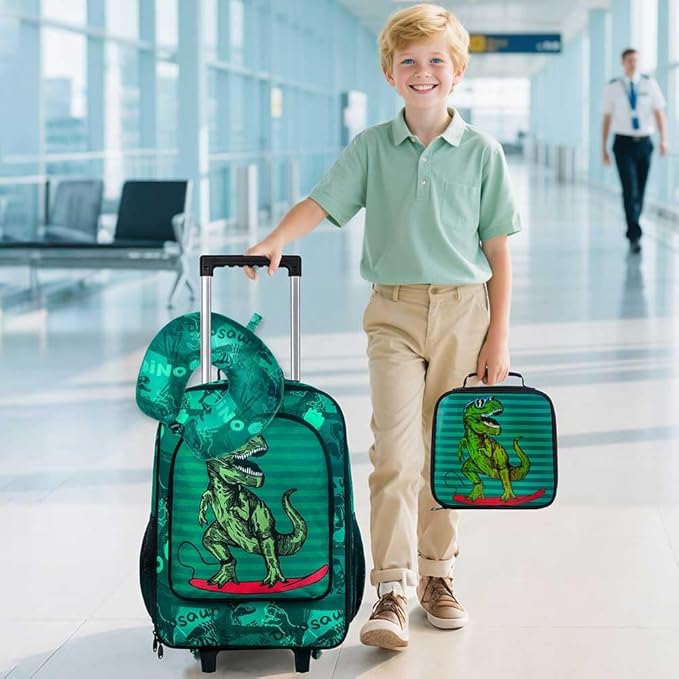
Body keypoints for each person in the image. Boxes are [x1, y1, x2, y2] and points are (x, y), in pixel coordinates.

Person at [243, 3, 520, 651]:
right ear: (390, 74)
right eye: (408, 61)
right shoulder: (371, 147)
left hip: (464, 313)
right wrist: (275, 239)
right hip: (392, 313)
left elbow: (498, 251)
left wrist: (498, 336)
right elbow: (321, 202)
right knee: (394, 453)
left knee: (445, 452)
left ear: (456, 71)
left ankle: (438, 574)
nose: (423, 71)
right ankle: (391, 588)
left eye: (435, 60)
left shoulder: (482, 152)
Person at [602, 48, 668, 254]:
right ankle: (634, 235)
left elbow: (659, 113)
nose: (633, 64)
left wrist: (664, 139)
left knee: (640, 189)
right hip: (623, 143)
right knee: (629, 188)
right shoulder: (613, 87)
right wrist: (603, 148)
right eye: (630, 60)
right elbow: (607, 119)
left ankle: (634, 224)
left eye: (636, 60)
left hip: (645, 143)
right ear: (623, 63)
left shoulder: (650, 84)